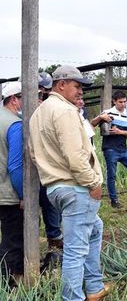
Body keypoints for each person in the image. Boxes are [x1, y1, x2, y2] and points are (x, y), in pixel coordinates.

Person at [29, 65, 109, 301]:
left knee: (95, 228)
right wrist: (93, 183)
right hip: (76, 188)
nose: (80, 91)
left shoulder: (38, 113)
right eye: (77, 86)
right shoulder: (64, 111)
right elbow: (75, 156)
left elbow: (33, 153)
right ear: (61, 84)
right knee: (75, 250)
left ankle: (95, 286)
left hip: (55, 187)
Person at [91, 90, 127, 208]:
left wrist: (120, 132)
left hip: (123, 148)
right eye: (120, 102)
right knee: (111, 174)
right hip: (110, 148)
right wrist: (100, 117)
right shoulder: (108, 112)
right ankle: (114, 199)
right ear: (114, 101)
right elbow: (92, 124)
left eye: (124, 102)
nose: (123, 104)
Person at [0, 82, 25, 285]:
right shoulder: (14, 124)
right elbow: (15, 166)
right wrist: (23, 194)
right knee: (12, 240)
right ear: (14, 99)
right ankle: (8, 284)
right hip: (7, 192)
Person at [37, 73, 63, 249]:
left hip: (47, 168)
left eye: (45, 92)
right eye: (41, 93)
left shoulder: (51, 110)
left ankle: (54, 242)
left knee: (51, 205)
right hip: (31, 168)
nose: (43, 96)